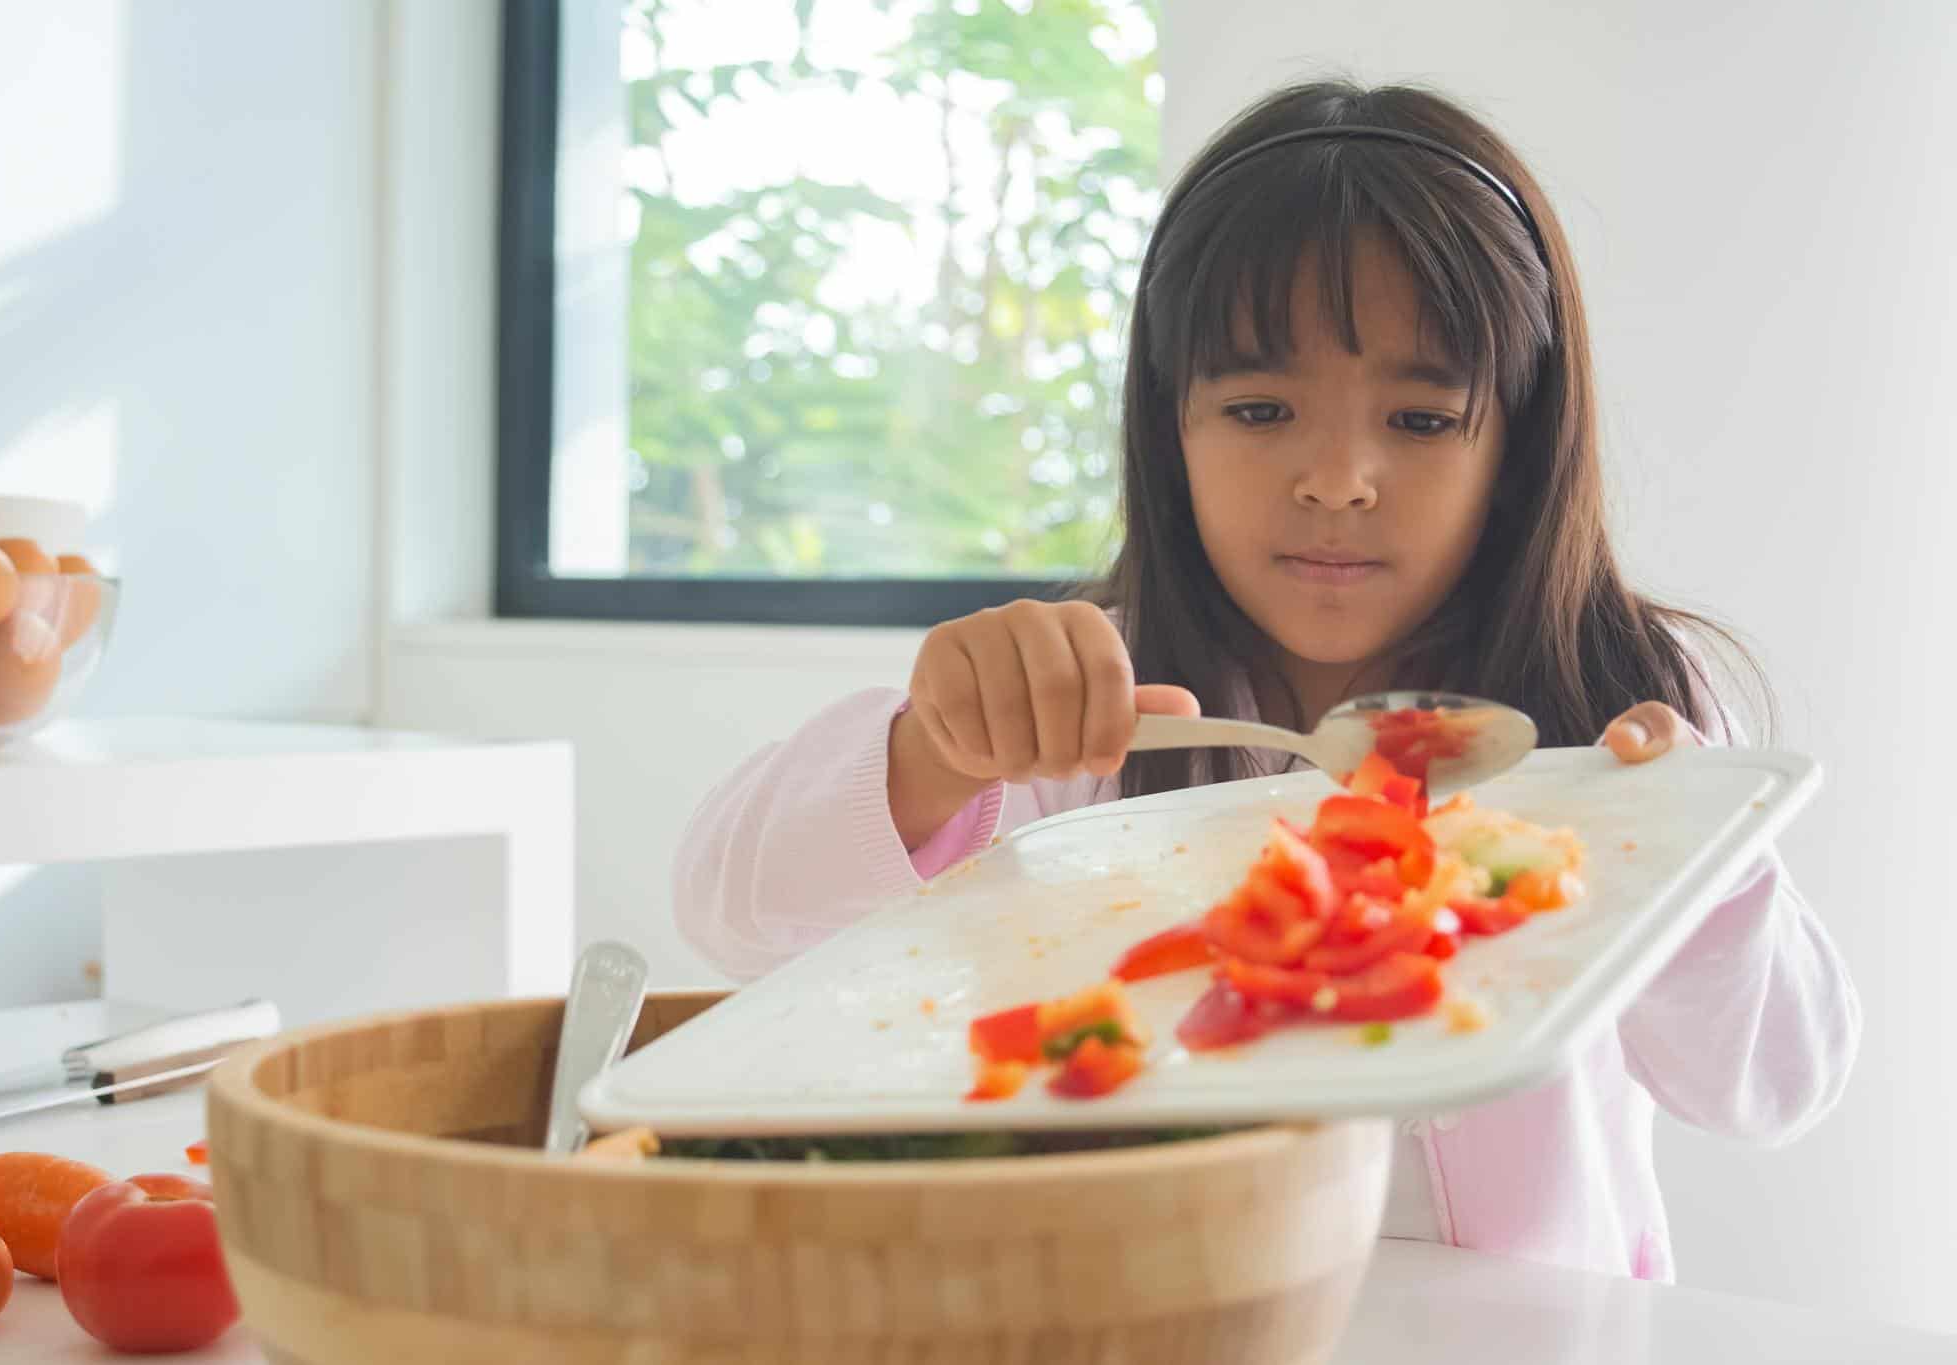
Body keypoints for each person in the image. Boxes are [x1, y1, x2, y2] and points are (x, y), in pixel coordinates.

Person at [672, 80, 1860, 1280]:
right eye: (1256, 407)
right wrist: (932, 753)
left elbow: (1771, 1086)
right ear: (1166, 425)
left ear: (1515, 441)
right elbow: (730, 919)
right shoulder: (1093, 709)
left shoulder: (1622, 704)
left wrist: (1685, 849)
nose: (1337, 478)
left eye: (1418, 417)